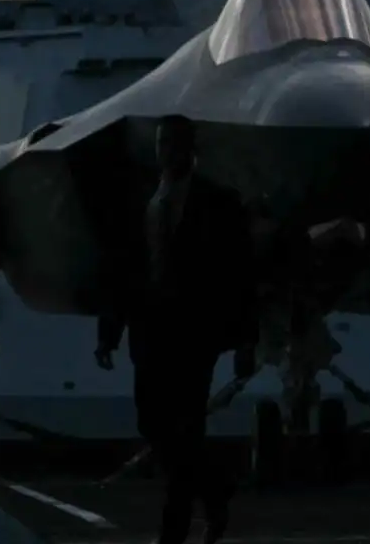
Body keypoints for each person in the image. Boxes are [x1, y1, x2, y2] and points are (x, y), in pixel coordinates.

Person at [95, 115, 256, 544]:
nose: (165, 151)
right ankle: (215, 490)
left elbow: (240, 275)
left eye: (172, 143)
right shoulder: (143, 199)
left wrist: (245, 340)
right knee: (154, 425)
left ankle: (174, 531)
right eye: (162, 143)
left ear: (189, 148)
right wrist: (109, 329)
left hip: (194, 333)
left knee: (184, 430)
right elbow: (126, 268)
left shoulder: (220, 203)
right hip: (149, 330)